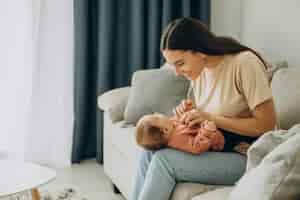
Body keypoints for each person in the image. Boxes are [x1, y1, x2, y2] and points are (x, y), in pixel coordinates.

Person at [131, 17, 277, 200]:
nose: (176, 72)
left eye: (180, 63)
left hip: (246, 154)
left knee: (163, 161)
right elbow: (205, 119)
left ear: (200, 52)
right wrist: (189, 111)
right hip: (215, 147)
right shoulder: (200, 72)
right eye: (172, 65)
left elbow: (267, 125)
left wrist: (209, 117)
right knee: (148, 151)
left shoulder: (244, 64)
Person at [135, 101, 225, 154]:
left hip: (209, 125)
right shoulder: (177, 139)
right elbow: (197, 146)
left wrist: (185, 109)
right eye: (156, 117)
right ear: (165, 131)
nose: (156, 113)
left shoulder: (170, 125)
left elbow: (181, 120)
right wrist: (206, 131)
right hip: (217, 142)